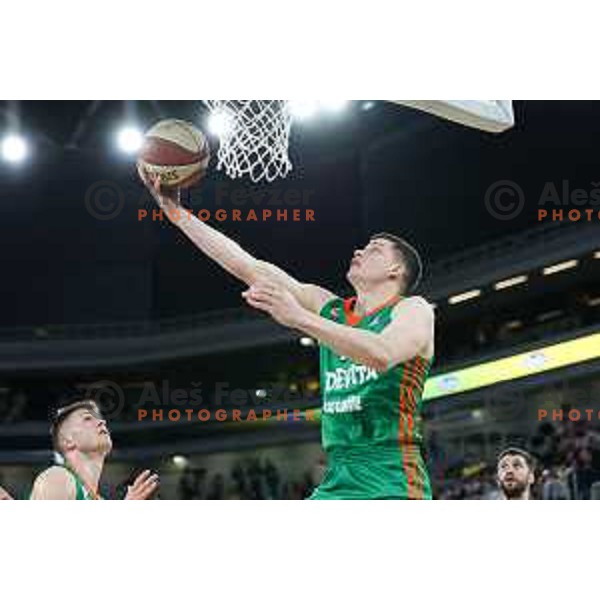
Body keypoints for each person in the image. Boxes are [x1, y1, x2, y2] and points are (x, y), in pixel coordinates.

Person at [139, 168, 435, 499]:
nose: (359, 251)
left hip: (391, 474)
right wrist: (178, 215)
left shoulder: (413, 309)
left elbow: (381, 354)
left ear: (396, 271)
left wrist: (298, 317)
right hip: (338, 474)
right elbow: (247, 264)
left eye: (374, 250)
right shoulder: (332, 309)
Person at [30, 397, 159, 500]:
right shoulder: (57, 477)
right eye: (87, 418)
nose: (102, 422)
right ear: (68, 441)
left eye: (99, 418)